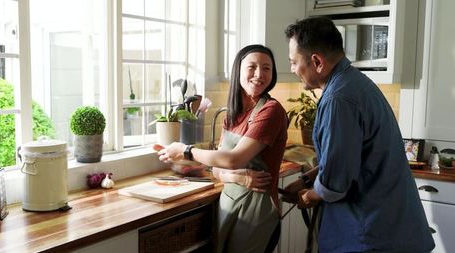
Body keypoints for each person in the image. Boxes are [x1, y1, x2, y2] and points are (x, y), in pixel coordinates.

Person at [284, 16, 435, 253]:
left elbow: (336, 183)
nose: (292, 69)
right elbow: (346, 159)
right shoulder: (354, 83)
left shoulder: (339, 100)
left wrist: (309, 196)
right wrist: (305, 180)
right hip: (391, 230)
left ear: (316, 61)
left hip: (371, 235)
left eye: (294, 62)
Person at [157, 44, 288, 253]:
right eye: (252, 67)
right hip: (228, 204)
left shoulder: (271, 110)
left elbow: (232, 159)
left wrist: (186, 150)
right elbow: (217, 169)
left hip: (257, 210)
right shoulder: (232, 114)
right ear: (238, 71)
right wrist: (237, 178)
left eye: (266, 68)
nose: (259, 74)